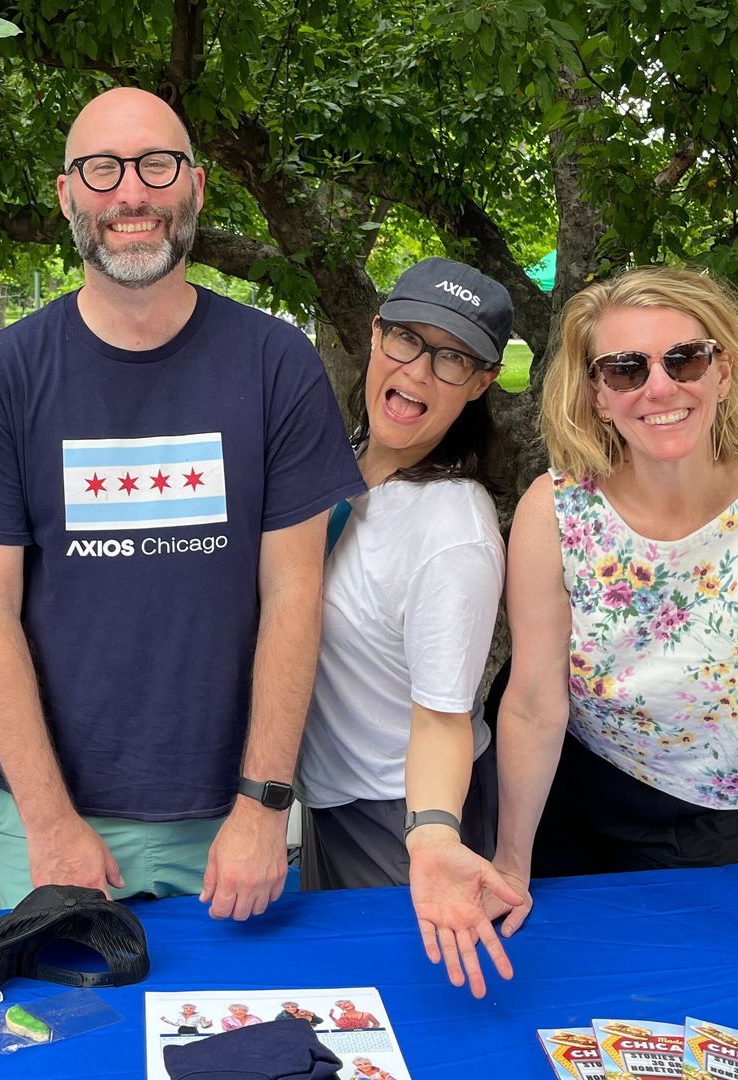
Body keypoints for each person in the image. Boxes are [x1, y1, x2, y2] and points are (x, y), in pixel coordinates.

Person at [0, 87, 363, 918]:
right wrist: (52, 822)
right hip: (50, 821)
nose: (130, 194)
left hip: (235, 820)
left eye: (156, 166)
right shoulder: (4, 377)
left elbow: (294, 595)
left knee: (250, 1044)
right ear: (67, 194)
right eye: (101, 170)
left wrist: (262, 805)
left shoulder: (276, 364)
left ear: (196, 186)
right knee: (52, 1045)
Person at [488, 266, 738, 981]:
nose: (659, 386)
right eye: (626, 367)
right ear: (597, 394)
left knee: (670, 995)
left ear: (722, 371)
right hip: (557, 785)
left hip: (688, 812)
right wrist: (509, 866)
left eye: (684, 358)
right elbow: (532, 702)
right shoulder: (552, 509)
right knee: (534, 984)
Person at [294, 258, 524, 999]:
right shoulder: (348, 460)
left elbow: (443, 716)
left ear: (482, 382)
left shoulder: (452, 529)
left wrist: (430, 835)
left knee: (408, 1015)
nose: (419, 372)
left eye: (451, 357)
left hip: (406, 812)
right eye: (405, 340)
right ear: (373, 335)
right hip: (331, 799)